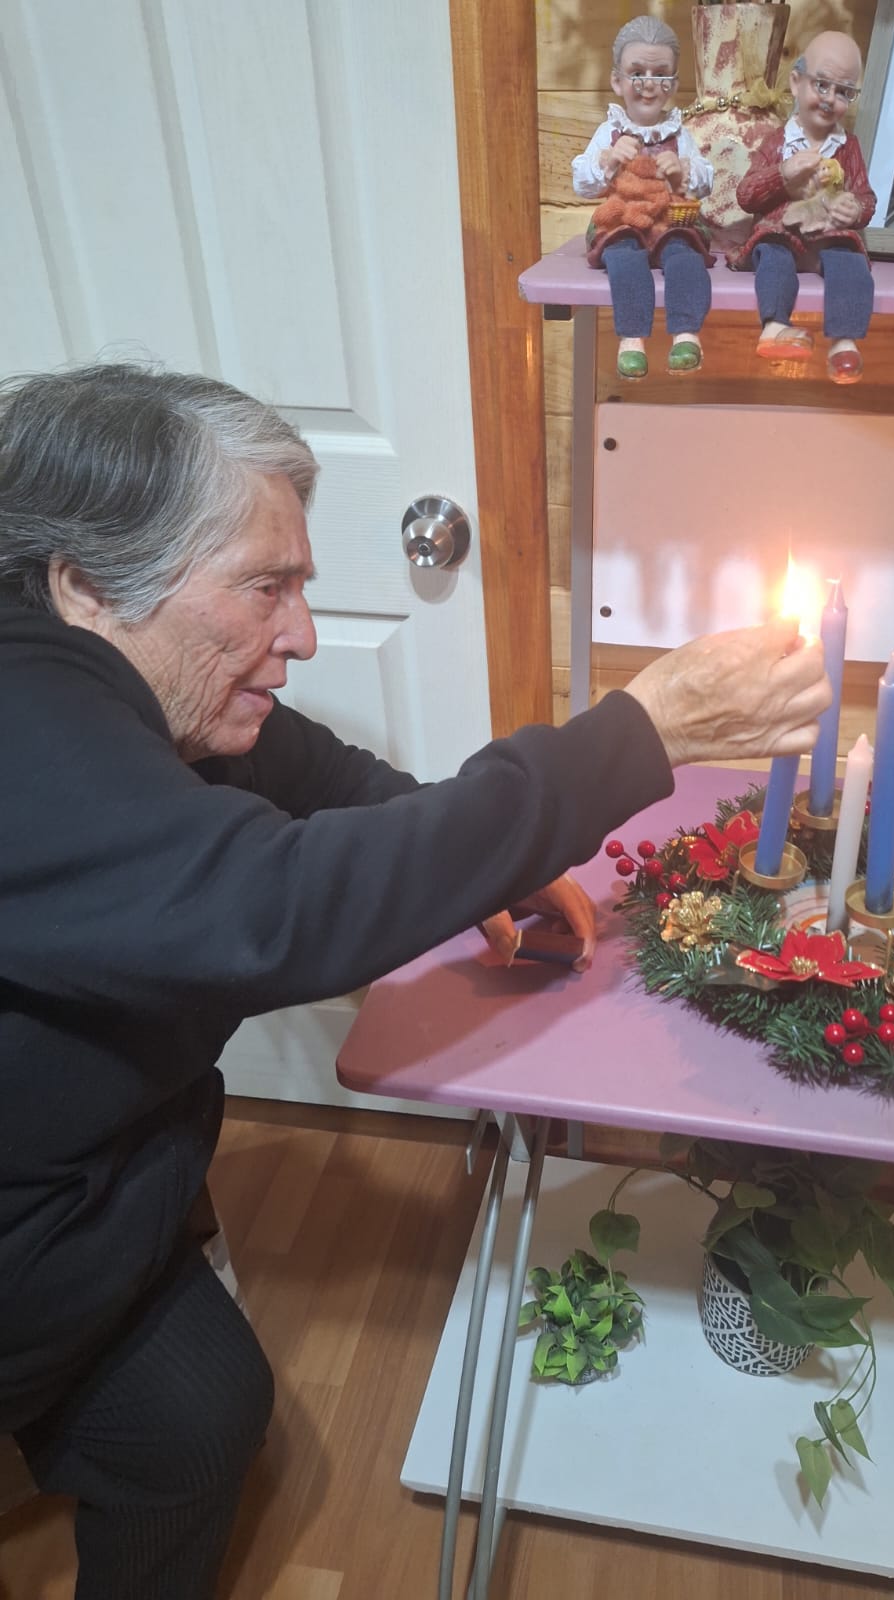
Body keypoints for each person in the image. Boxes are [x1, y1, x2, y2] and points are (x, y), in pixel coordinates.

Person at [0, 362, 830, 1600]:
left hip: (92, 1206)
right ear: (87, 586)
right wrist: (639, 734)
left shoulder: (136, 685)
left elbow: (320, 780)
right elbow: (276, 909)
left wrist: (494, 861)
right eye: (266, 587)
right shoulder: (22, 728)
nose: (303, 634)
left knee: (198, 1419)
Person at [726, 32, 877, 386]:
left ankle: (843, 342)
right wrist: (781, 174)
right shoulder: (777, 142)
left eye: (844, 91)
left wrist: (855, 209)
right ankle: (774, 328)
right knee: (773, 256)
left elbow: (866, 196)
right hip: (782, 234)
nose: (829, 99)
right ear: (796, 83)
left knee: (852, 265)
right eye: (821, 85)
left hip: (829, 238)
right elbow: (746, 195)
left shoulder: (848, 146)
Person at [572, 15, 714, 380]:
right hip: (624, 222)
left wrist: (682, 172)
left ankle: (686, 335)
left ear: (673, 84)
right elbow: (581, 182)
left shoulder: (678, 133)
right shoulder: (610, 131)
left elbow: (706, 179)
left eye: (660, 74)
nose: (648, 84)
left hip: (670, 223)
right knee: (624, 259)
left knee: (685, 258)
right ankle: (632, 339)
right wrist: (607, 162)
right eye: (637, 73)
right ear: (617, 81)